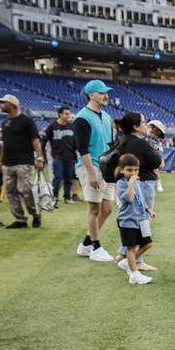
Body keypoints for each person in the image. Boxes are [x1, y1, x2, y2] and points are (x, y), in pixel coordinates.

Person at [111, 113, 163, 273]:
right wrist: (155, 153)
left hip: (132, 184)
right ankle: (136, 260)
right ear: (135, 126)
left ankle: (123, 255)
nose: (146, 125)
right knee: (141, 222)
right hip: (143, 182)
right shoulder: (139, 143)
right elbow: (157, 162)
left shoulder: (122, 139)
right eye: (143, 122)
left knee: (133, 221)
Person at [73, 79, 116, 262]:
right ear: (91, 94)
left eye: (106, 92)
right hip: (91, 166)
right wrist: (90, 172)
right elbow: (82, 148)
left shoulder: (107, 117)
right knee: (94, 208)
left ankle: (86, 243)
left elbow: (110, 143)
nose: (106, 95)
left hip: (106, 166)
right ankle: (96, 247)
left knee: (107, 208)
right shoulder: (82, 118)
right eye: (101, 92)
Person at [0, 93, 44, 229]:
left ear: (12, 105)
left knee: (25, 190)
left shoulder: (26, 121)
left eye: (3, 102)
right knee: (10, 193)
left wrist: (39, 157)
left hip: (24, 162)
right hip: (7, 163)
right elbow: (4, 143)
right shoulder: (5, 122)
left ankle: (36, 214)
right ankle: (20, 220)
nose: (1, 105)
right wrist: (1, 161)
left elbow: (35, 140)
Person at [114, 154, 154, 285]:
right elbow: (130, 199)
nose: (133, 173)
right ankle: (134, 274)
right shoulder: (121, 183)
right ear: (121, 170)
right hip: (128, 221)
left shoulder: (137, 182)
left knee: (148, 244)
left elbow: (140, 199)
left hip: (141, 219)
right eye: (129, 170)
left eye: (136, 170)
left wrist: (149, 209)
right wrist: (131, 183)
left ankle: (127, 262)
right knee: (130, 248)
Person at [44, 106, 76, 206]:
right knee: (57, 177)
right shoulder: (52, 126)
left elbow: (75, 141)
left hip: (70, 157)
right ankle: (54, 197)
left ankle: (67, 197)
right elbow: (44, 139)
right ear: (60, 114)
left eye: (69, 114)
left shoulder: (71, 126)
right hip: (57, 156)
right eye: (66, 114)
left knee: (68, 178)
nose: (68, 115)